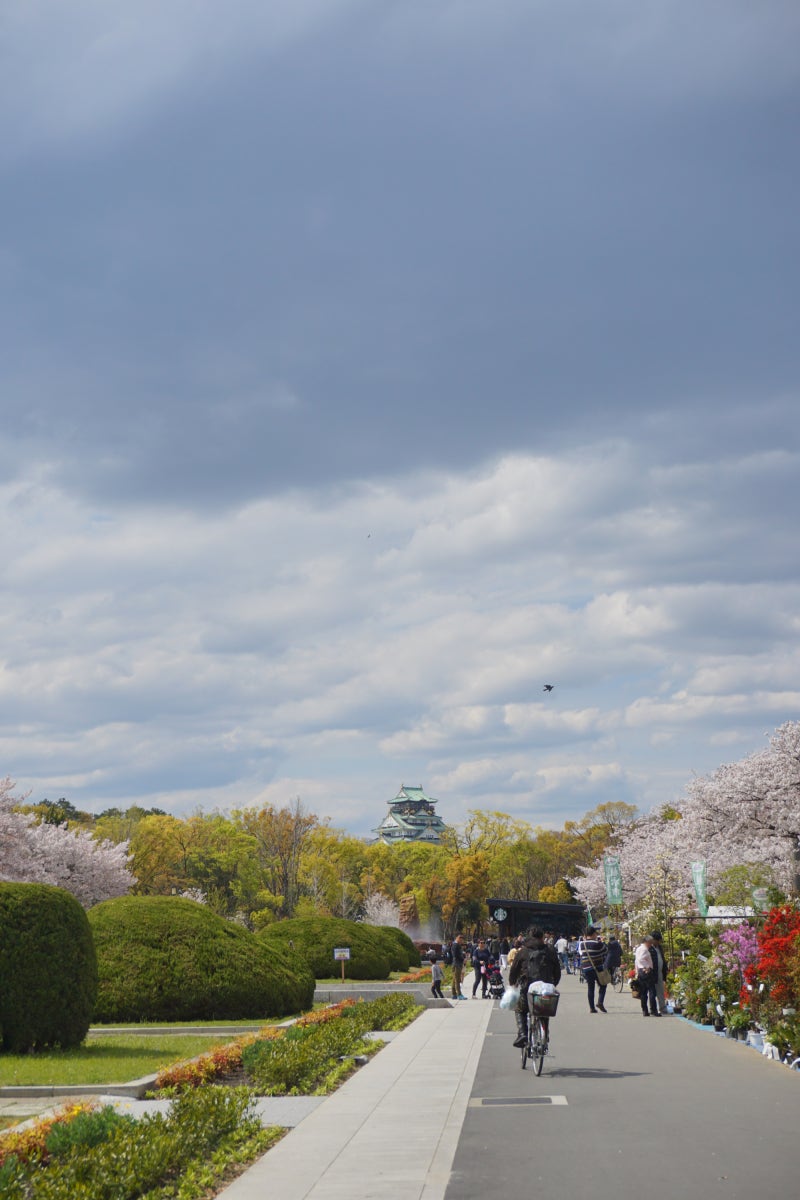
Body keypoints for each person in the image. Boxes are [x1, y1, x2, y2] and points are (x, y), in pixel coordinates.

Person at [508, 927, 561, 1048]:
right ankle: (544, 1034)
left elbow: (514, 970)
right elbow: (557, 971)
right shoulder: (550, 951)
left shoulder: (523, 951)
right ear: (542, 937)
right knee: (544, 1010)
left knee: (520, 1009)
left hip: (528, 987)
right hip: (546, 986)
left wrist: (513, 984)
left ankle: (522, 1034)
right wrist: (553, 984)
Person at [580, 926, 609, 1013]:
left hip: (586, 968)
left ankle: (592, 1008)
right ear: (593, 934)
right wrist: (603, 942)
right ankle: (600, 1002)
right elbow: (605, 951)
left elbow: (582, 954)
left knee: (590, 988)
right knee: (603, 984)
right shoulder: (597, 944)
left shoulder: (582, 944)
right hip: (598, 967)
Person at [634, 935, 659, 1016]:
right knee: (652, 991)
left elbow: (636, 961)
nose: (651, 944)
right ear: (646, 942)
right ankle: (653, 1010)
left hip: (641, 971)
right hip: (646, 971)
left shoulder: (639, 948)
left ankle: (645, 1010)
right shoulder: (644, 949)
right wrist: (647, 967)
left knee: (644, 992)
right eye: (650, 942)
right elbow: (641, 959)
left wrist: (637, 970)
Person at [649, 931, 668, 1012]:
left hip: (660, 972)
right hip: (652, 973)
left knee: (660, 990)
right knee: (652, 991)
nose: (659, 942)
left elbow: (662, 958)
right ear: (654, 940)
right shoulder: (649, 948)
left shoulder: (659, 947)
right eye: (658, 940)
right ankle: (653, 1008)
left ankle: (662, 1007)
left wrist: (665, 969)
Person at [451, 935, 467, 1000]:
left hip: (457, 964)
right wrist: (463, 959)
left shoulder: (456, 945)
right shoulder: (456, 945)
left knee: (454, 979)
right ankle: (459, 994)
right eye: (461, 940)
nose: (461, 942)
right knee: (457, 980)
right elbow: (456, 955)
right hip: (457, 964)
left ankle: (454, 994)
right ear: (458, 938)